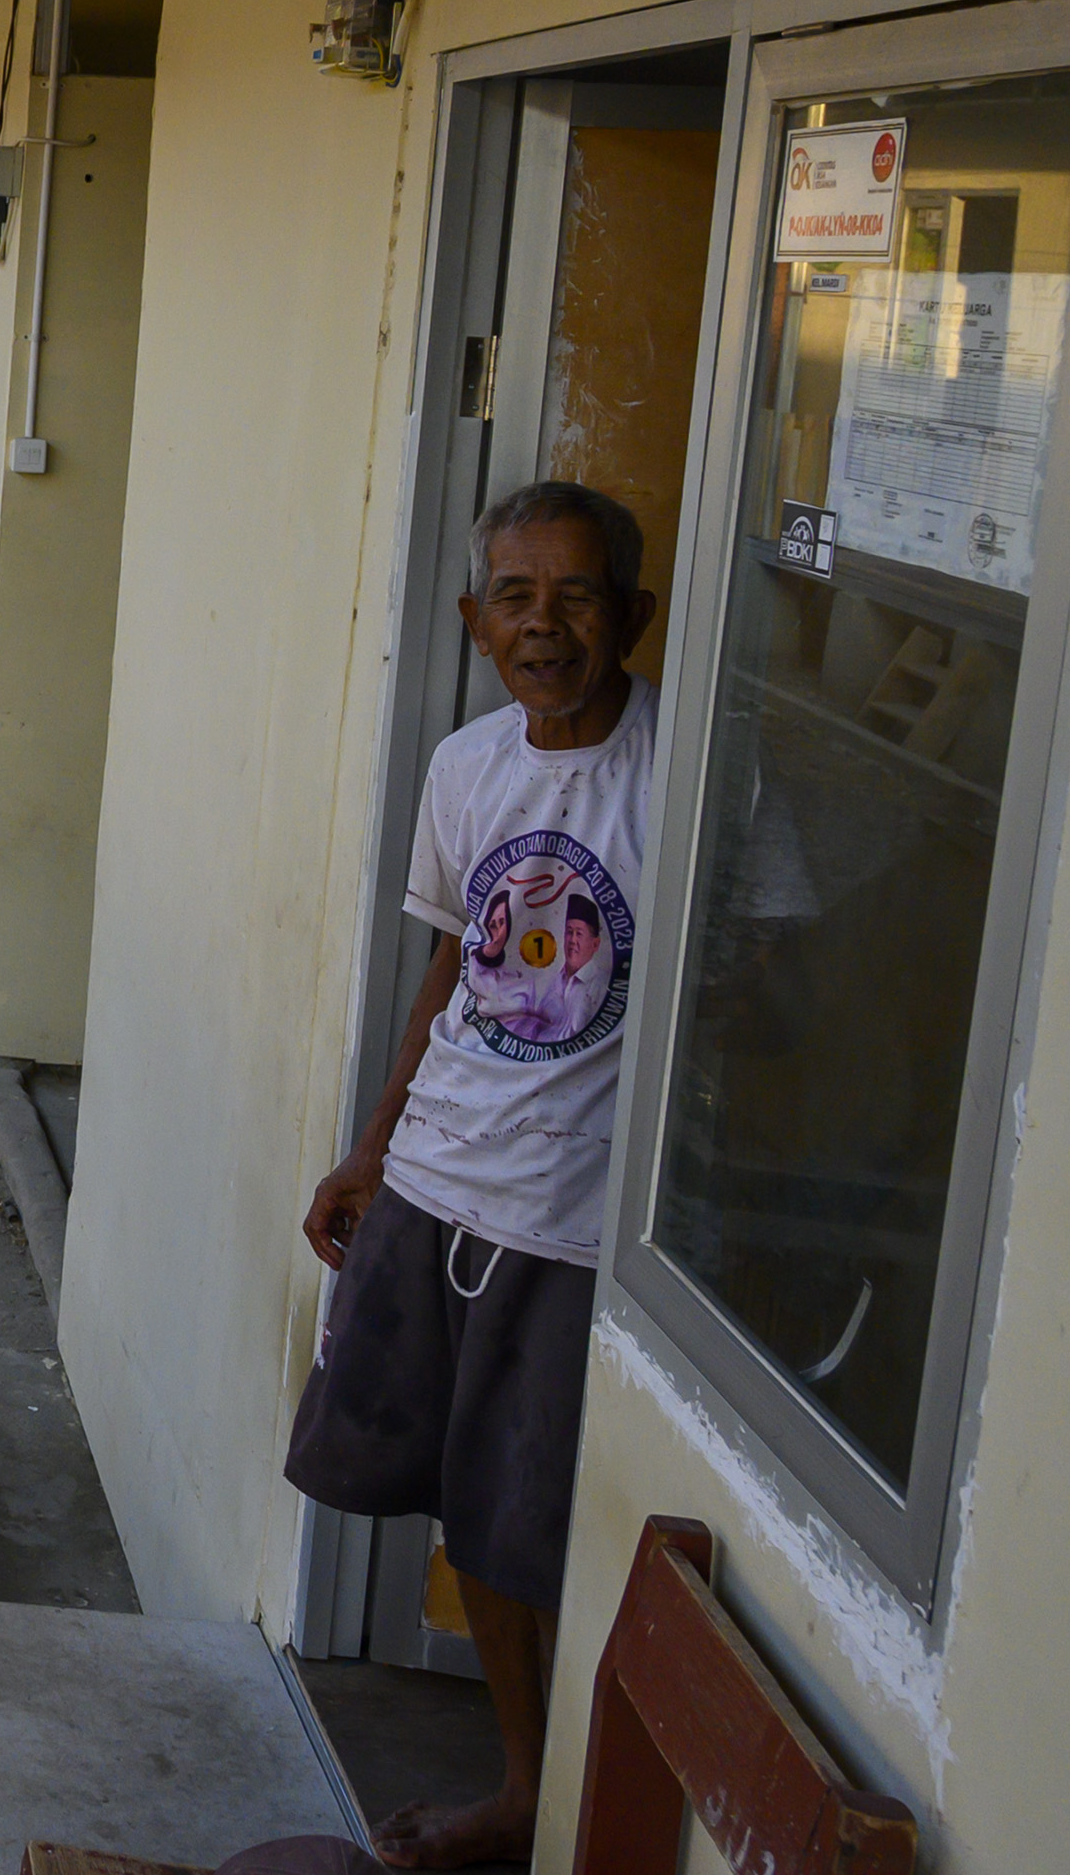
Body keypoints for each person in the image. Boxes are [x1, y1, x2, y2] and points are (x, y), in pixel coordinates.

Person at [289, 479, 660, 1872]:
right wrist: (376, 1147)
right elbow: (457, 961)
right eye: (517, 596)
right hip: (439, 1181)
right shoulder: (467, 766)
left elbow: (748, 984)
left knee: (531, 1524)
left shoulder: (683, 772)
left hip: (567, 1224)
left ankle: (546, 1801)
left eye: (576, 596)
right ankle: (524, 1793)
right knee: (460, 1505)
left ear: (634, 614)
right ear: (474, 619)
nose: (545, 625)